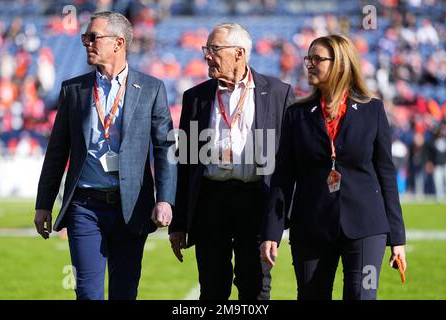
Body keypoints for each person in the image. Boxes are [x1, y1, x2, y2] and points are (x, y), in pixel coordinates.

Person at [34, 11, 176, 300]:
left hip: (131, 206)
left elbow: (165, 148)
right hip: (84, 206)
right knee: (87, 293)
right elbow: (57, 151)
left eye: (93, 37)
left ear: (118, 43)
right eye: (85, 37)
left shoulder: (151, 88)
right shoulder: (74, 89)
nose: (86, 42)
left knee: (124, 292)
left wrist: (165, 199)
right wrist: (43, 203)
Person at [260, 34, 407, 300]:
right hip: (310, 225)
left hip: (366, 226)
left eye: (318, 59)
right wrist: (271, 231)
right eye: (309, 58)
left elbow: (386, 174)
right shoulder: (297, 114)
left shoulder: (372, 110)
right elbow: (283, 176)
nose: (310, 64)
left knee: (362, 296)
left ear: (340, 64)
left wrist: (397, 238)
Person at [168, 23, 294, 300]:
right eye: (206, 49)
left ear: (239, 53)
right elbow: (186, 163)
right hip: (211, 200)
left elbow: (288, 160)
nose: (207, 56)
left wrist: (279, 217)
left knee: (256, 287)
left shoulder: (278, 92)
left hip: (256, 199)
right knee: (212, 288)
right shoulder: (196, 97)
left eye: (214, 49)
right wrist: (179, 222)